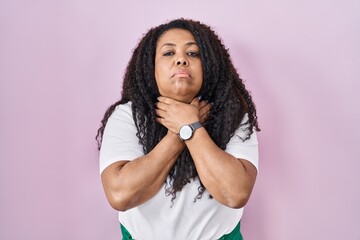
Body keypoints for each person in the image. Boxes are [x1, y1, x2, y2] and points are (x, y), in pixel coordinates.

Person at [96, 18, 260, 240]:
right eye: (168, 53)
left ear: (209, 65)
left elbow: (236, 194)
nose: (181, 59)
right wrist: (180, 131)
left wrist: (192, 127)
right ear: (150, 66)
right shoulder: (128, 116)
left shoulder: (232, 115)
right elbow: (120, 195)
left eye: (193, 53)